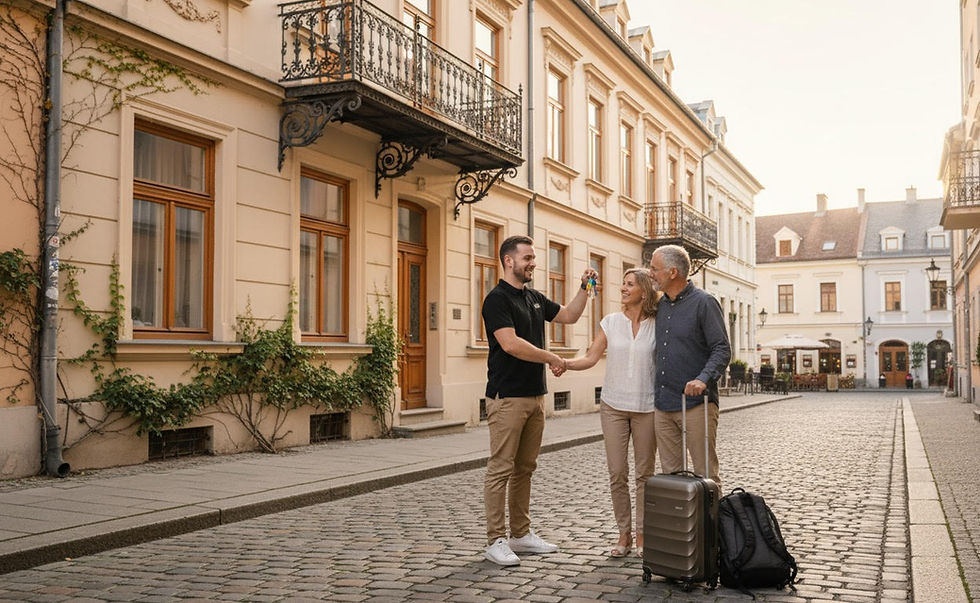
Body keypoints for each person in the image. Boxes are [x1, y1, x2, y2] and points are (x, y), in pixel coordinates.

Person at [481, 235, 597, 566]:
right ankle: (495, 539)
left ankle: (520, 535)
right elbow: (510, 344)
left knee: (525, 468)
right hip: (507, 397)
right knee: (501, 468)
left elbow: (570, 315)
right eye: (527, 258)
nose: (533, 262)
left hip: (535, 396)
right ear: (508, 261)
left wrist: (586, 287)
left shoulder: (533, 297)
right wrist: (551, 357)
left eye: (533, 258)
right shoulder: (496, 300)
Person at [563, 268, 660, 557]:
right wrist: (563, 363)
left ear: (644, 290)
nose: (623, 289)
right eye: (623, 284)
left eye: (630, 285)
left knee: (645, 475)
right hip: (614, 406)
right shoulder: (610, 322)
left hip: (647, 407)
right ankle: (624, 534)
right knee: (617, 473)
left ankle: (643, 535)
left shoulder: (658, 323)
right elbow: (592, 357)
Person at [648, 244, 730, 487]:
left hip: (696, 404)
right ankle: (682, 526)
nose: (650, 273)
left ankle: (710, 525)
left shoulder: (704, 303)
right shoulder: (659, 305)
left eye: (654, 268)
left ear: (672, 272)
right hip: (663, 405)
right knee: (671, 478)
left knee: (706, 476)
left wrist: (703, 379)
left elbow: (722, 348)